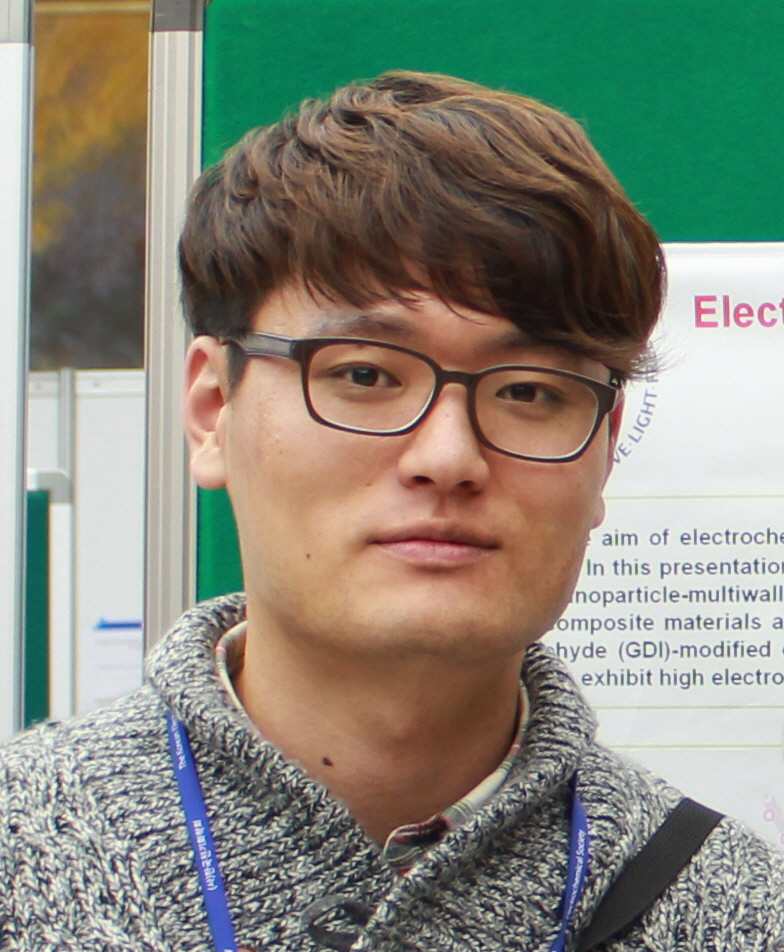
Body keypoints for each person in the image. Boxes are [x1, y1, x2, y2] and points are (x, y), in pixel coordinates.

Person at [2, 70, 782, 952]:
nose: (448, 458)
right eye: (366, 374)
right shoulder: (28, 861)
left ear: (604, 447)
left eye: (529, 391)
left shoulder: (739, 916)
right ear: (214, 410)